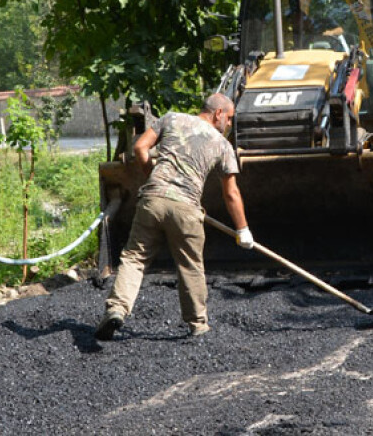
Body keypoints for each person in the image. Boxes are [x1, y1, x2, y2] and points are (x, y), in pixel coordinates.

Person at [95, 93, 254, 340]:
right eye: (230, 119)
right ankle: (198, 324)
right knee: (190, 265)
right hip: (186, 208)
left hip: (152, 201)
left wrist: (152, 177)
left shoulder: (171, 119)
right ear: (218, 114)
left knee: (135, 258)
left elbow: (139, 147)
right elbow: (231, 192)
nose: (230, 125)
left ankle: (117, 308)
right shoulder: (223, 145)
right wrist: (243, 229)